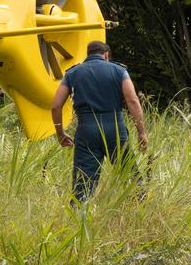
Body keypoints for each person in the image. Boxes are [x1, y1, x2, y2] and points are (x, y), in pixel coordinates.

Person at [52, 40, 148, 202]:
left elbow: (56, 106)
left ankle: (78, 215)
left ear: (88, 55)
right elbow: (132, 100)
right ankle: (140, 207)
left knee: (83, 182)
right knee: (129, 174)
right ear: (106, 55)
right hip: (115, 129)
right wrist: (141, 132)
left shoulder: (72, 73)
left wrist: (60, 133)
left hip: (86, 130)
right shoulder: (119, 71)